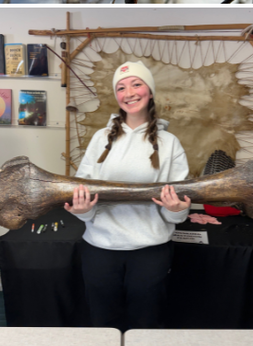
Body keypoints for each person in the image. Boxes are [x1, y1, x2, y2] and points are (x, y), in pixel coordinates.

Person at [67, 61, 190, 331]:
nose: (129, 92)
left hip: (150, 251)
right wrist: (84, 210)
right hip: (100, 249)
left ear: (150, 91)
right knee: (103, 323)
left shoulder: (170, 144)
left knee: (146, 323)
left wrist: (176, 209)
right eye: (121, 87)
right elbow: (85, 194)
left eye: (137, 84)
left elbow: (178, 209)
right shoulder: (101, 139)